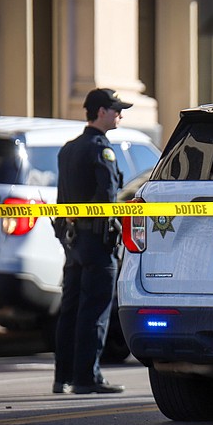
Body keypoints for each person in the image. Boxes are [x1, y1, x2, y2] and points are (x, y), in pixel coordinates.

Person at [52, 88, 131, 395]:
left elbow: (61, 199)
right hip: (97, 242)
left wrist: (65, 235)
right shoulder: (101, 149)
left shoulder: (68, 149)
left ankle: (63, 377)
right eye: (116, 110)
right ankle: (87, 377)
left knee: (70, 309)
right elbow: (108, 198)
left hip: (73, 241)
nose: (120, 115)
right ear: (101, 112)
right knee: (94, 309)